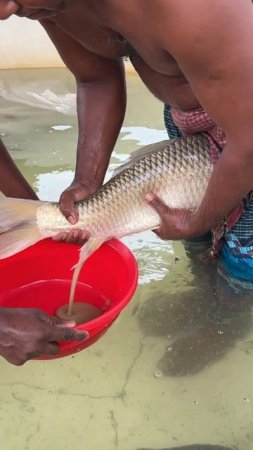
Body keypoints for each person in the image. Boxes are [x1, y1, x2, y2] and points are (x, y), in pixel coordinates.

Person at [0, 0, 252, 372]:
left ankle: (222, 327)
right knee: (190, 236)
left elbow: (248, 143)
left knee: (243, 260)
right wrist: (87, 180)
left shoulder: (195, 10)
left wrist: (198, 219)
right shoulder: (49, 4)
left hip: (246, 135)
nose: (4, 10)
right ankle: (202, 295)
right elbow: (96, 78)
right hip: (189, 123)